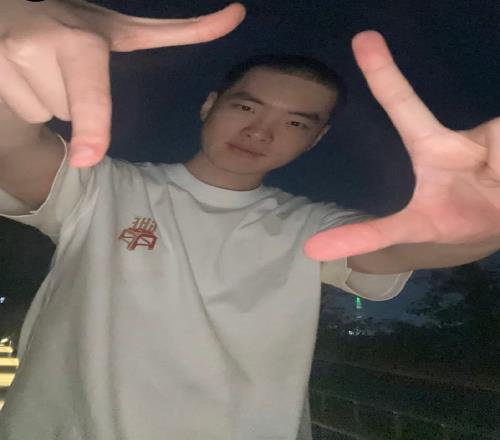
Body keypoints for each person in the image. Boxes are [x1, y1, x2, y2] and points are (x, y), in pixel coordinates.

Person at [0, 1, 498, 439]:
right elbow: (12, 145)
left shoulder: (309, 226)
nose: (260, 132)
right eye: (246, 107)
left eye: (295, 123)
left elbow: (403, 247)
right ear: (209, 105)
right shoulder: (102, 188)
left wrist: (478, 227)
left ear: (316, 139)